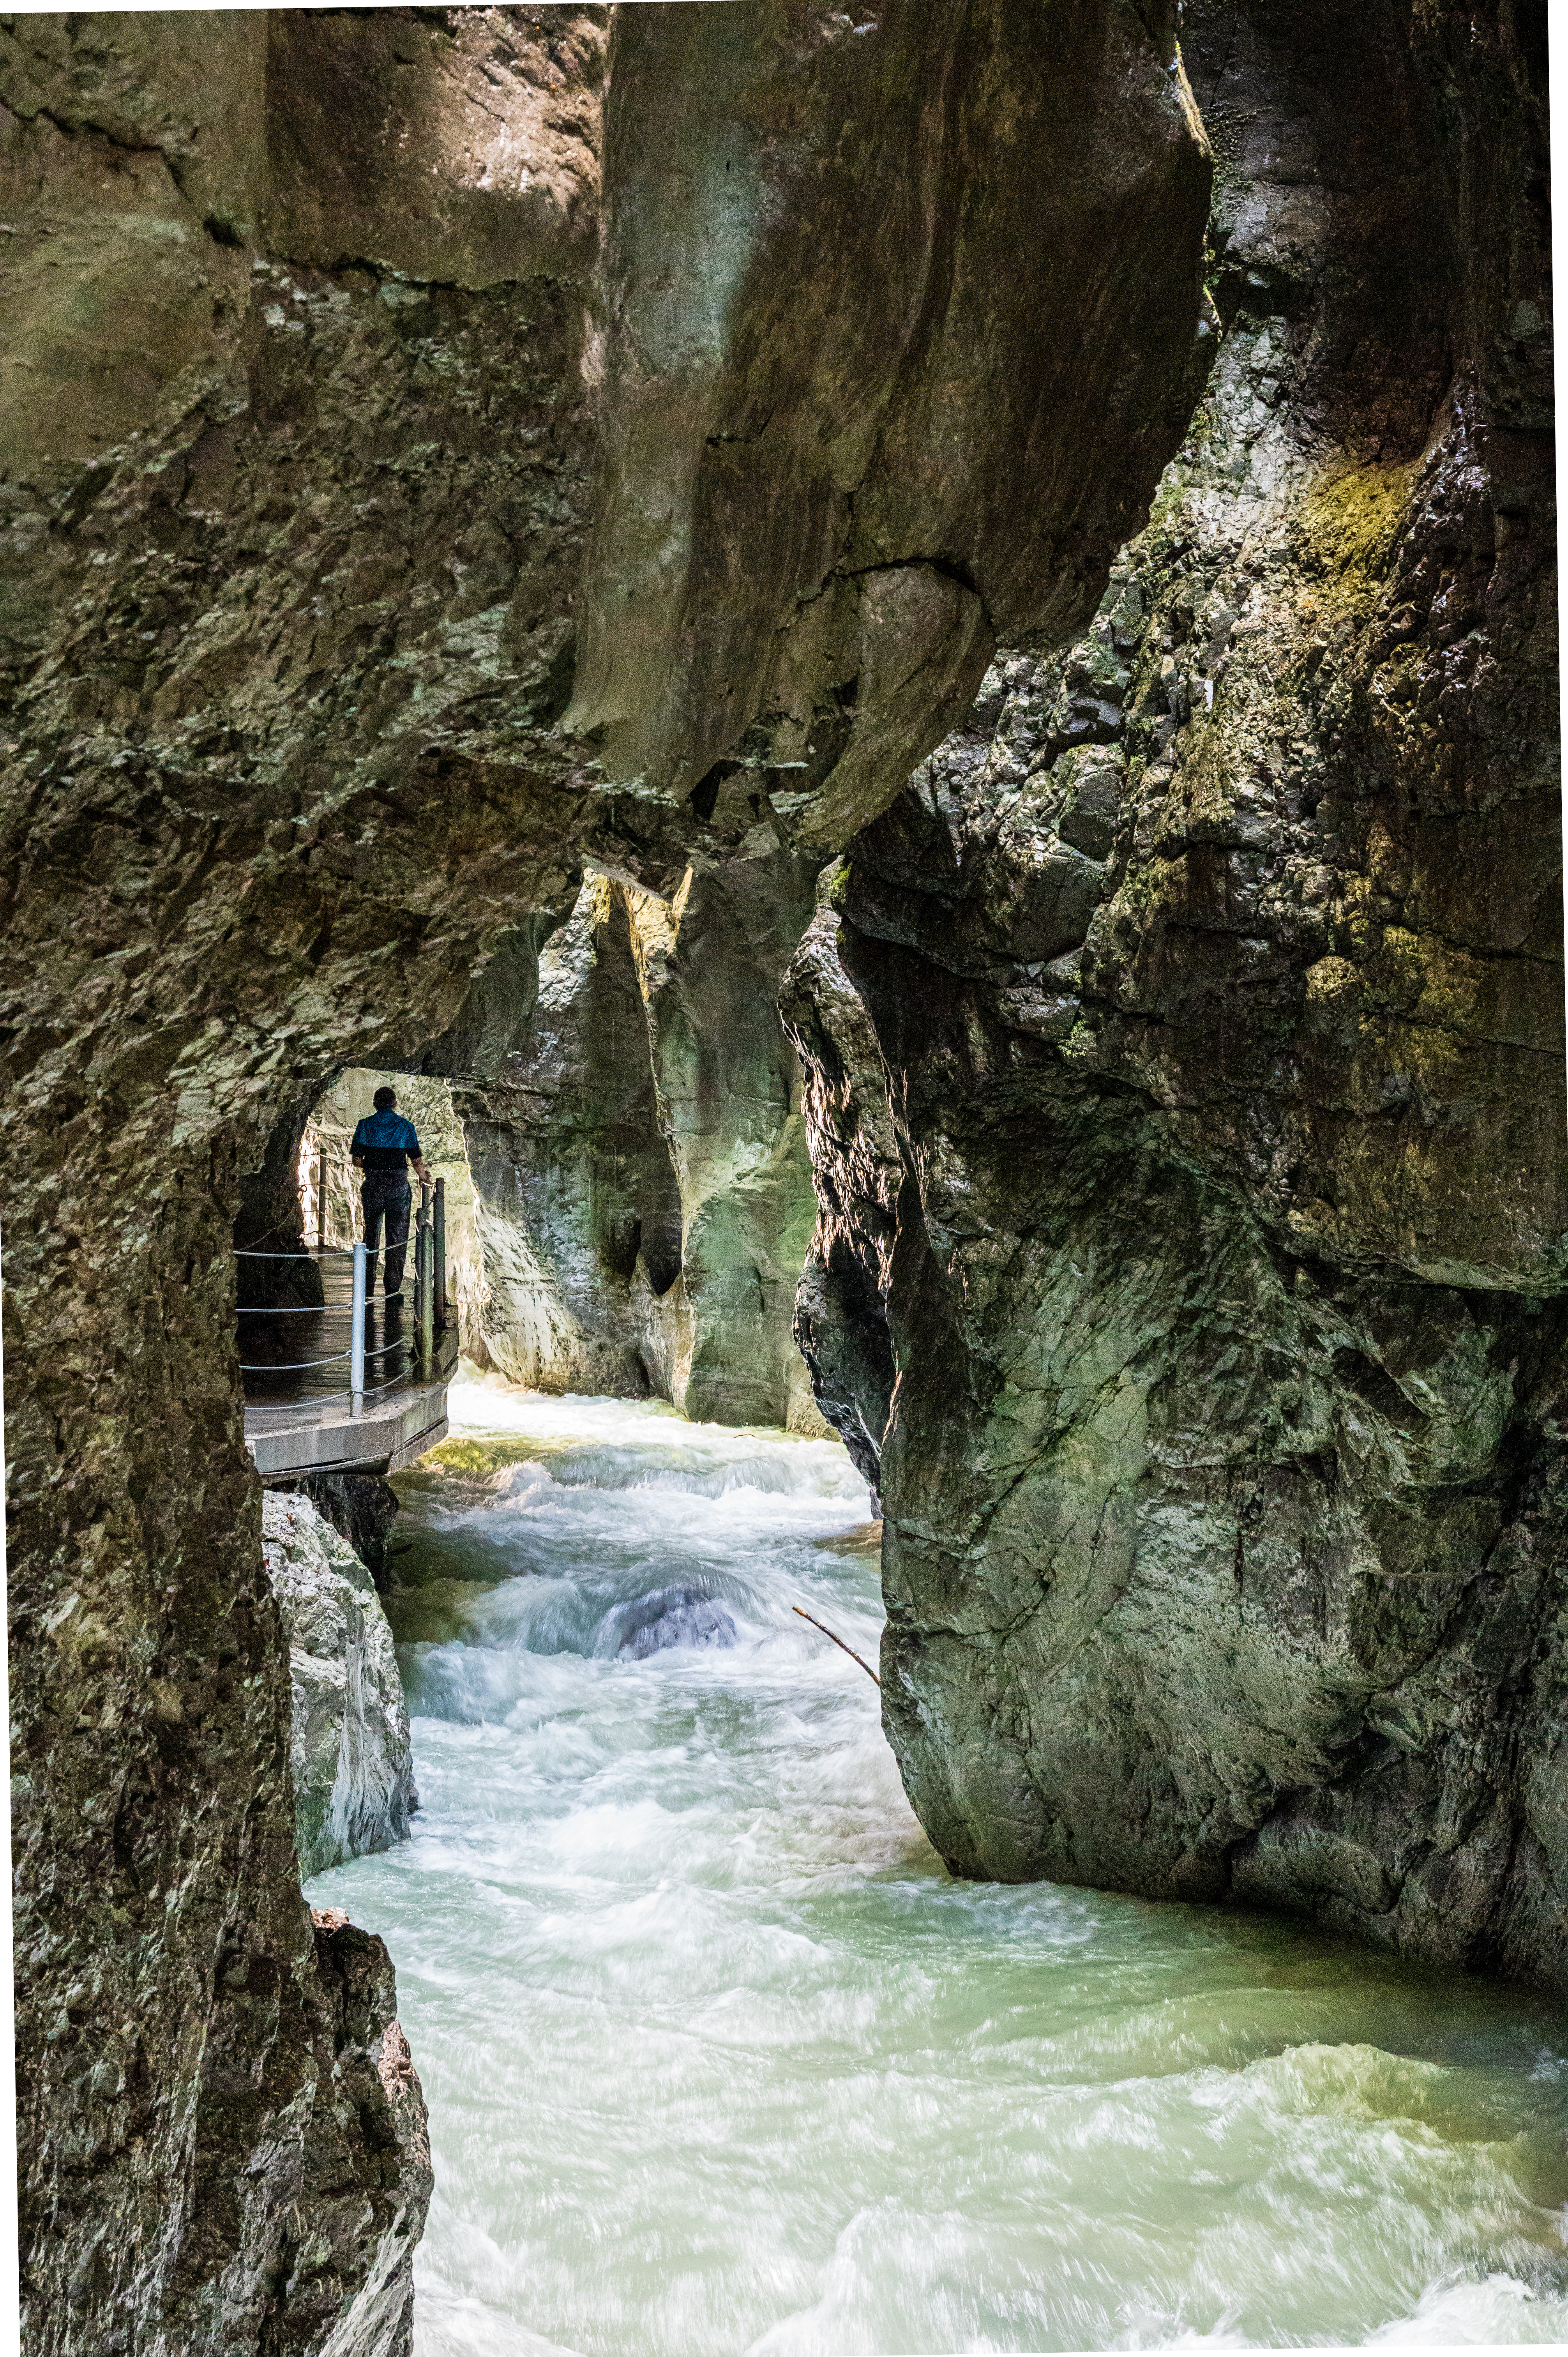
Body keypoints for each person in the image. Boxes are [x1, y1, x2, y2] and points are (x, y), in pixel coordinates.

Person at [350, 1086, 431, 1299]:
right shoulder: (406, 1127)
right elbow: (416, 1160)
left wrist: (373, 1164)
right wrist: (423, 1177)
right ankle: (393, 1289)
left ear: (375, 1104)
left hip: (374, 1185)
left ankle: (367, 1288)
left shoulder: (365, 1126)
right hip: (397, 1186)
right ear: (395, 1104)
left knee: (371, 1235)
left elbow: (357, 1161)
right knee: (397, 1236)